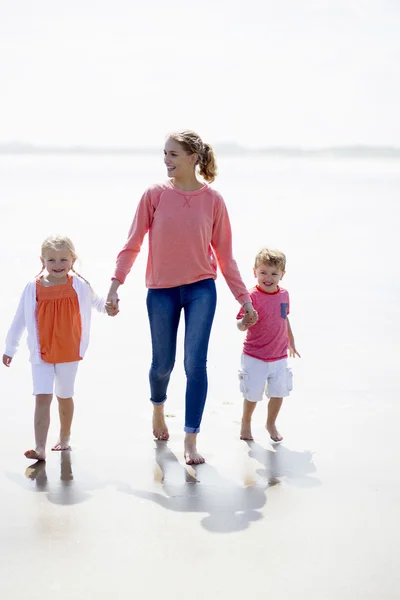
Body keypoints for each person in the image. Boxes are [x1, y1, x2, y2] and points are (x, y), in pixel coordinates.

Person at [106, 130, 257, 465]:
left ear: (193, 158)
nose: (166, 161)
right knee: (162, 365)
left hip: (201, 287)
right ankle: (158, 410)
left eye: (173, 154)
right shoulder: (155, 195)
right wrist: (117, 283)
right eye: (164, 154)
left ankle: (190, 438)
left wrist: (244, 300)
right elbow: (133, 242)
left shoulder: (213, 200)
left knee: (195, 364)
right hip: (160, 290)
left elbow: (225, 256)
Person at [2, 235, 106, 461]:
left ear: (73, 260)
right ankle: (40, 447)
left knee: (64, 396)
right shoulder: (33, 287)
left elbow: (98, 303)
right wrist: (10, 347)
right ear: (42, 261)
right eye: (52, 260)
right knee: (42, 397)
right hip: (42, 353)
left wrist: (112, 305)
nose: (57, 265)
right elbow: (20, 318)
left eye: (63, 260)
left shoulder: (79, 284)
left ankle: (64, 437)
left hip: (69, 352)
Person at [237, 248, 300, 443]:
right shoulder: (251, 296)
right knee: (252, 394)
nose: (268, 277)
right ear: (255, 271)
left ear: (282, 275)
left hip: (279, 355)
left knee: (278, 393)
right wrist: (245, 321)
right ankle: (246, 422)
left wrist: (291, 341)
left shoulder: (284, 295)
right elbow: (239, 324)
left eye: (274, 273)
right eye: (263, 272)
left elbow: (284, 318)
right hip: (254, 355)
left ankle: (270, 423)